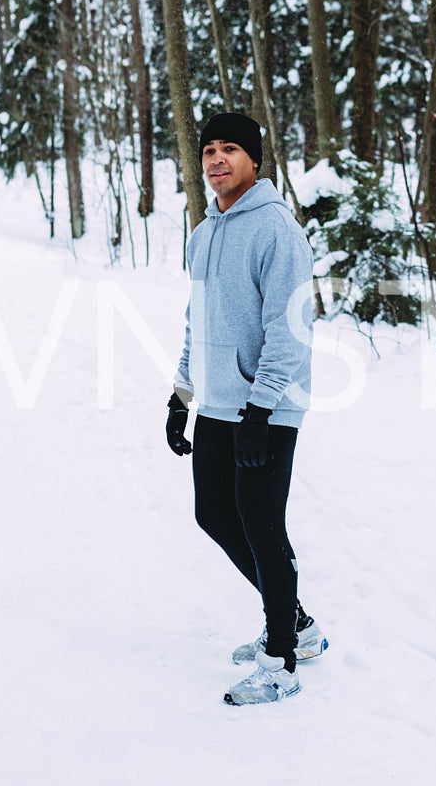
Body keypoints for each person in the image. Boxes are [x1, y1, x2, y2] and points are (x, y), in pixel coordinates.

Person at [166, 112, 326, 706]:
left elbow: (290, 330)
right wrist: (181, 397)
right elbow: (196, 322)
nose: (216, 160)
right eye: (208, 150)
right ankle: (298, 625)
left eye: (229, 148)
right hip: (217, 403)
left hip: (267, 407)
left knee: (262, 527)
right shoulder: (203, 233)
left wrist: (261, 410)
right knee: (214, 514)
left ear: (254, 160)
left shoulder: (277, 231)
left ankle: (281, 659)